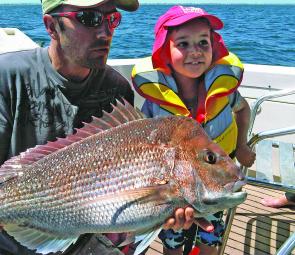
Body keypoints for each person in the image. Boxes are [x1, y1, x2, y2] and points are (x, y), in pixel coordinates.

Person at [0, 0, 210, 254]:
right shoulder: (7, 77)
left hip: (87, 241)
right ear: (51, 26)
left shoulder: (117, 89)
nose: (105, 32)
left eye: (112, 19)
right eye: (90, 19)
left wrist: (158, 214)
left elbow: (116, 198)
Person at [132, 5, 256, 255]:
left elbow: (243, 110)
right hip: (174, 191)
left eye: (203, 42)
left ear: (214, 47)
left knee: (210, 239)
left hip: (217, 182)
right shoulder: (154, 103)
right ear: (164, 51)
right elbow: (139, 146)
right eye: (183, 44)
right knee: (173, 243)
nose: (195, 51)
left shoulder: (223, 90)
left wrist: (242, 145)